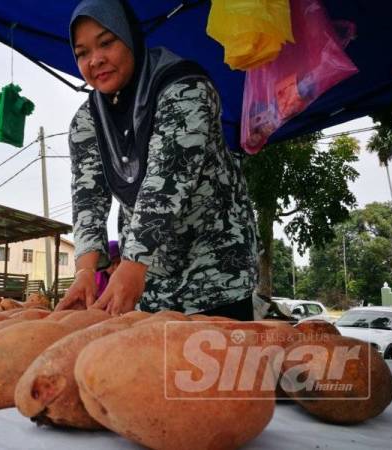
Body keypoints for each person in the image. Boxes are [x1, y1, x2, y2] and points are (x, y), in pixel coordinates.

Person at [56, 0, 258, 320]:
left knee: (219, 364)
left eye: (107, 43)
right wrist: (84, 270)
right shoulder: (86, 121)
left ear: (131, 36)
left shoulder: (185, 87)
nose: (96, 60)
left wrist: (133, 262)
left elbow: (166, 181)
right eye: (82, 53)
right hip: (148, 281)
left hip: (216, 271)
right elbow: (88, 197)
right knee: (152, 365)